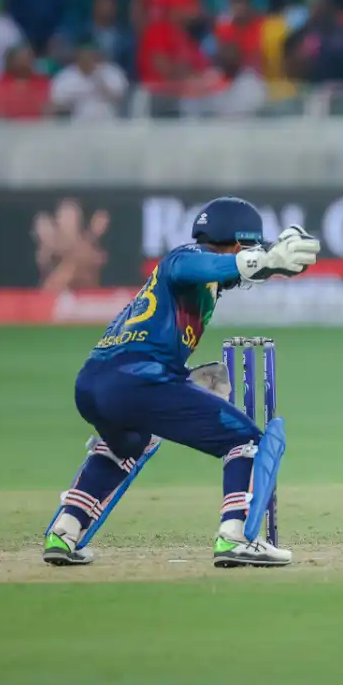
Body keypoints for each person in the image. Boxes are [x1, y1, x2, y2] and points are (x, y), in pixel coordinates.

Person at [42, 197, 321, 569]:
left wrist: (280, 254)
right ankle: (234, 538)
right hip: (140, 382)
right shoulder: (183, 260)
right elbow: (208, 265)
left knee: (128, 444)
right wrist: (264, 257)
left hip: (95, 383)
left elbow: (244, 269)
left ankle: (65, 530)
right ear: (237, 240)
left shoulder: (210, 276)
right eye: (250, 244)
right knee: (245, 440)